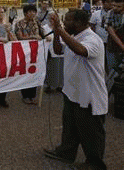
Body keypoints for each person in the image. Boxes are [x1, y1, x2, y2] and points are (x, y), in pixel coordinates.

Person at [44, 9, 107, 170]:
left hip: (89, 96)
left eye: (67, 20)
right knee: (70, 127)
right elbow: (59, 50)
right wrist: (58, 33)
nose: (65, 23)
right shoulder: (74, 37)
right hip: (72, 93)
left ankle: (95, 163)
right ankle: (66, 152)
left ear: (79, 23)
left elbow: (80, 50)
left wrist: (60, 30)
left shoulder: (93, 39)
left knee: (91, 132)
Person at [14, 4, 44, 104]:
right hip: (24, 52)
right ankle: (25, 95)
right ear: (25, 13)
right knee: (25, 73)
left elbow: (42, 34)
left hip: (36, 52)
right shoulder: (19, 24)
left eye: (34, 12)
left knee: (34, 72)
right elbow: (20, 37)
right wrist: (33, 37)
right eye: (30, 12)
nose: (33, 14)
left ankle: (33, 95)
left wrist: (45, 38)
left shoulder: (37, 23)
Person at [105, 0, 124, 92]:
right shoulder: (110, 13)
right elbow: (111, 31)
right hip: (112, 47)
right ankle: (107, 94)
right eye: (115, 5)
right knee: (112, 71)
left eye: (119, 6)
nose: (116, 8)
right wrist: (122, 46)